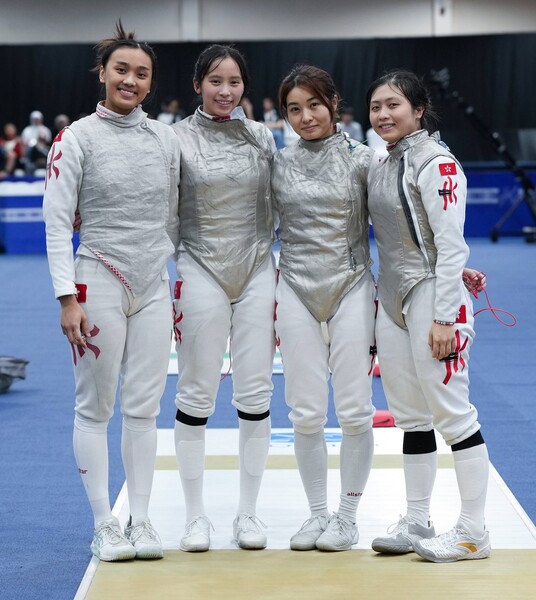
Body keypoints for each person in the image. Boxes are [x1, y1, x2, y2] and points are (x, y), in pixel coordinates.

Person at [42, 22, 180, 563]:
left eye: (141, 73)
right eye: (121, 69)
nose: (130, 79)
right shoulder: (74, 138)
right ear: (103, 74)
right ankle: (104, 523)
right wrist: (66, 298)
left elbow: (176, 214)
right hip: (96, 278)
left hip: (152, 284)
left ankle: (141, 519)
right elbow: (57, 223)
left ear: (150, 83)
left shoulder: (166, 139)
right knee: (95, 406)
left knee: (144, 408)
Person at [366, 70, 490, 563]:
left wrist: (444, 315)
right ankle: (417, 517)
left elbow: (451, 243)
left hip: (434, 299)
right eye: (376, 106)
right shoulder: (383, 162)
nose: (382, 115)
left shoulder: (437, 163)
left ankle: (473, 532)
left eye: (393, 105)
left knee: (453, 414)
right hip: (394, 298)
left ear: (418, 110)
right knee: (413, 417)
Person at [172, 44, 276, 552]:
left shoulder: (262, 138)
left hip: (258, 268)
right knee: (195, 392)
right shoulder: (174, 140)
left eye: (234, 82)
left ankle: (248, 515)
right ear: (198, 84)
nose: (225, 91)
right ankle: (196, 518)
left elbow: (295, 196)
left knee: (255, 393)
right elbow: (153, 205)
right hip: (199, 266)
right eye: (215, 81)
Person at [272, 65, 377, 552]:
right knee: (306, 413)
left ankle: (348, 516)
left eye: (314, 104)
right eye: (294, 108)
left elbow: (403, 221)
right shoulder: (278, 162)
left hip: (352, 286)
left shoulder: (364, 160)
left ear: (334, 102)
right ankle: (318, 514)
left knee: (355, 411)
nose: (305, 116)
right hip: (294, 287)